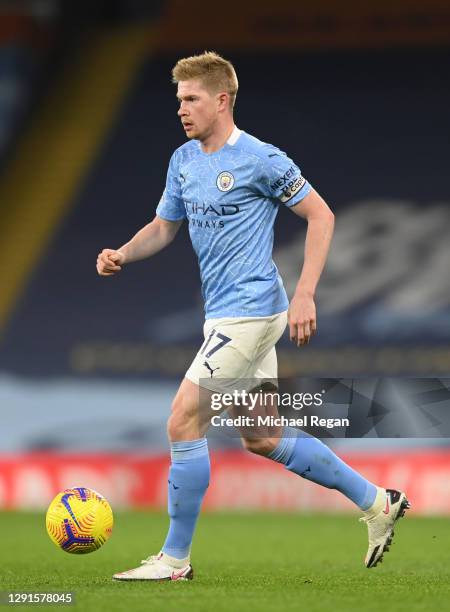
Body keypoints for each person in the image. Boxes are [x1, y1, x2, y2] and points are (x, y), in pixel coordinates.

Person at [96, 51, 409, 581]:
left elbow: (321, 215)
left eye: (192, 99)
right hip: (223, 314)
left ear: (222, 101)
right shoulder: (183, 160)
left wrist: (306, 293)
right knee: (260, 435)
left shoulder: (262, 158)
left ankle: (174, 561)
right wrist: (124, 252)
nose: (182, 109)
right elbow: (164, 225)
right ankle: (378, 502)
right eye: (178, 100)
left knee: (182, 419)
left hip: (251, 310)